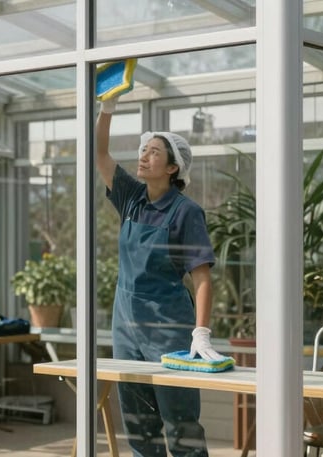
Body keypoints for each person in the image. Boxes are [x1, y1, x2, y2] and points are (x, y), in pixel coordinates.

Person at [96, 95, 222, 457]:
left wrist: (201, 332)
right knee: (139, 425)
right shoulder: (131, 199)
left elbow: (201, 278)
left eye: (153, 152)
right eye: (143, 149)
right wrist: (107, 110)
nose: (143, 155)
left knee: (180, 423)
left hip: (168, 330)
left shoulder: (186, 213)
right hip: (126, 327)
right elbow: (100, 154)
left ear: (172, 168)